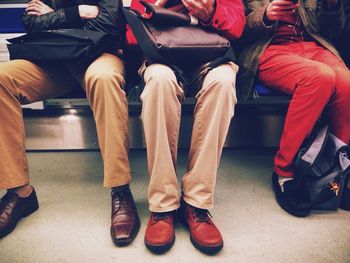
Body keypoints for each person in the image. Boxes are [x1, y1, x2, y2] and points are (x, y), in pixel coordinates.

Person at [0, 0, 141, 245]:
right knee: (2, 79)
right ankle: (20, 191)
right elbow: (32, 22)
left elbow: (107, 25)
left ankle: (120, 190)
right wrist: (80, 12)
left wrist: (55, 17)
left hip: (98, 57)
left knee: (104, 79)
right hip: (55, 61)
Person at [126, 0, 245, 254]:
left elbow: (238, 27)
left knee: (223, 84)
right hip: (163, 55)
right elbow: (131, 37)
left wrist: (211, 11)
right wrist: (154, 9)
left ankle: (197, 203)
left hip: (212, 56)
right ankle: (163, 205)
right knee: (158, 82)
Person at [238, 0, 350, 217]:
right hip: (269, 50)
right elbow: (237, 29)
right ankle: (284, 172)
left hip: (314, 47)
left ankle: (335, 172)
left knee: (346, 83)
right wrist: (266, 15)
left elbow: (333, 31)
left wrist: (332, 6)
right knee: (318, 77)